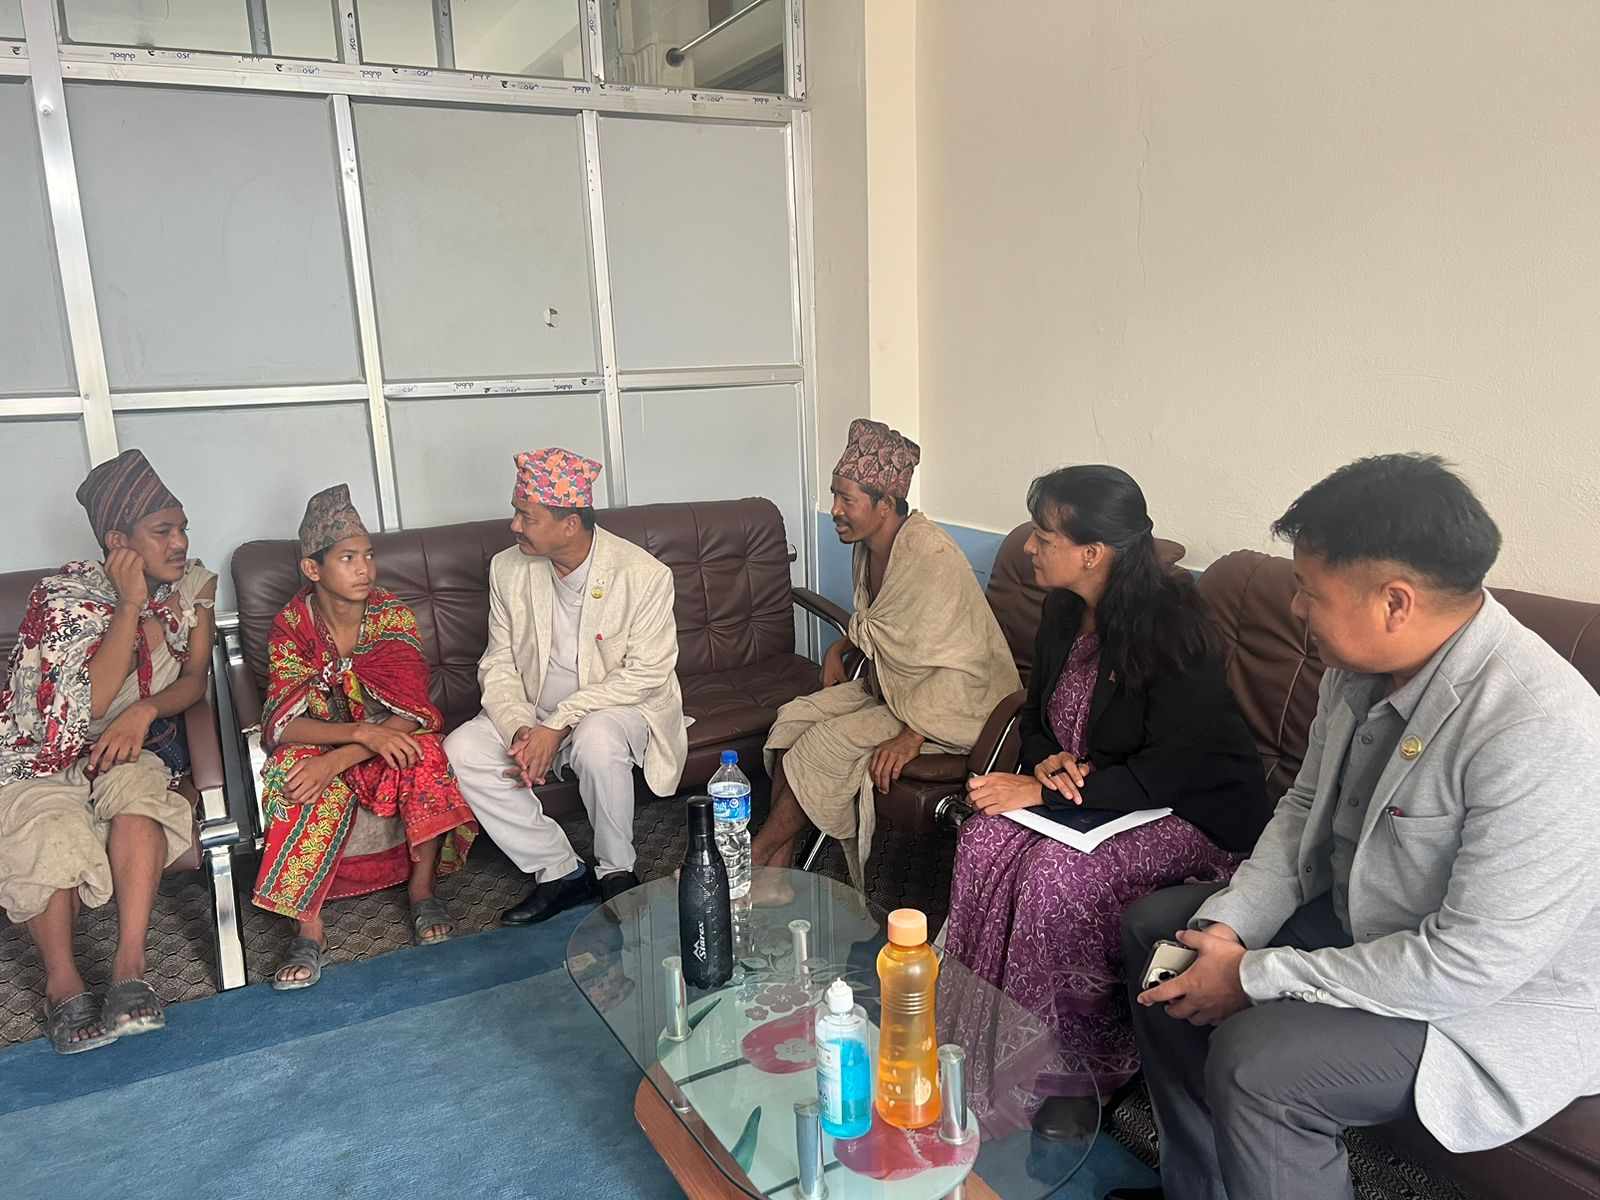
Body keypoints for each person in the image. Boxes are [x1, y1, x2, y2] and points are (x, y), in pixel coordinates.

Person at [1113, 454, 1600, 1200]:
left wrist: (1252, 975)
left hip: (1490, 998)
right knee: (1168, 941)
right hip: (1364, 921)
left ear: (1395, 602)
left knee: (1259, 1063)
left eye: (1309, 592)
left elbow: (1470, 965)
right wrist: (1229, 927)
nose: (1297, 609)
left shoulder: (1539, 727)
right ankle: (1202, 1189)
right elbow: (1304, 808)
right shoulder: (1356, 669)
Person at [942, 466, 1271, 1140]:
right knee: (983, 836)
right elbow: (1036, 712)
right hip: (1100, 796)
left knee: (1057, 877)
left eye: (1044, 537)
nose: (1028, 547)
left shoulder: (1173, 627)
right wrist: (1045, 759)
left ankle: (1082, 1071)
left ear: (1092, 553)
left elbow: (1173, 766)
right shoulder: (1062, 610)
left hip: (1189, 809)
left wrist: (1045, 791)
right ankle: (981, 1031)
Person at [0, 449, 215, 1053]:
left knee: (138, 800)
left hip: (131, 745)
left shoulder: (191, 590)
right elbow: (90, 704)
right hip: (42, 753)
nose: (180, 543)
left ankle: (129, 968)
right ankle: (62, 985)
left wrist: (144, 711)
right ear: (118, 542)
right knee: (48, 826)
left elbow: (194, 680)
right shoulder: (62, 598)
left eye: (182, 527)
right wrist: (129, 604)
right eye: (162, 531)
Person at [752, 418, 1021, 893]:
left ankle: (750, 863)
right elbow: (885, 625)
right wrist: (840, 645)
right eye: (834, 496)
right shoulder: (869, 546)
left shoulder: (930, 557)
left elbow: (964, 663)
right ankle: (779, 877)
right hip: (898, 690)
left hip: (958, 706)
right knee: (792, 721)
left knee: (822, 746)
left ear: (885, 503)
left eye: (846, 499)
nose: (835, 510)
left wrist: (913, 736)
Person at [445, 449, 687, 925]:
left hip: (616, 707)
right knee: (462, 750)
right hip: (533, 707)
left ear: (570, 524)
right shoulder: (508, 568)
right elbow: (498, 662)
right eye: (516, 512)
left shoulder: (643, 575)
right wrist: (520, 729)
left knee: (597, 738)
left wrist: (557, 724)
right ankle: (559, 871)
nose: (514, 526)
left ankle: (617, 870)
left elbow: (645, 674)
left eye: (527, 517)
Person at [251, 485, 477, 990]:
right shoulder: (292, 626)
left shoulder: (390, 614)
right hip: (328, 736)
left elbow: (414, 712)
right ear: (313, 569)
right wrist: (356, 735)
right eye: (347, 558)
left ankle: (422, 892)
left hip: (387, 734)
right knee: (290, 772)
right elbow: (283, 723)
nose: (364, 569)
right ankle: (308, 928)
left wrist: (348, 754)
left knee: (424, 754)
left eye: (369, 555)